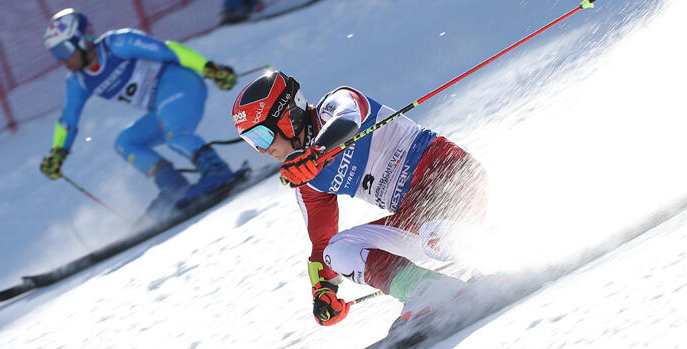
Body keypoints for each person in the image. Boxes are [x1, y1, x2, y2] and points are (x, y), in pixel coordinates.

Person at [231, 71, 488, 326]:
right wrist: (323, 290)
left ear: (288, 118)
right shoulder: (308, 180)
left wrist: (318, 152)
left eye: (262, 136)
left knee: (437, 235)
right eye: (252, 142)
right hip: (416, 217)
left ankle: (498, 253)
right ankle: (429, 291)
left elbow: (347, 120)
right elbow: (321, 243)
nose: (264, 150)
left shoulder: (334, 105)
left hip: (452, 179)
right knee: (338, 250)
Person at [40, 8, 240, 220]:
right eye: (56, 55)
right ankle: (173, 186)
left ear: (82, 40)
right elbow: (67, 120)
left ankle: (217, 170)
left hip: (182, 86)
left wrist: (209, 68)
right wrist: (58, 153)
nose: (62, 60)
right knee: (126, 141)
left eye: (63, 50)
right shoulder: (77, 82)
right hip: (162, 108)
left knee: (175, 134)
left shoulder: (117, 44)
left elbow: (170, 50)